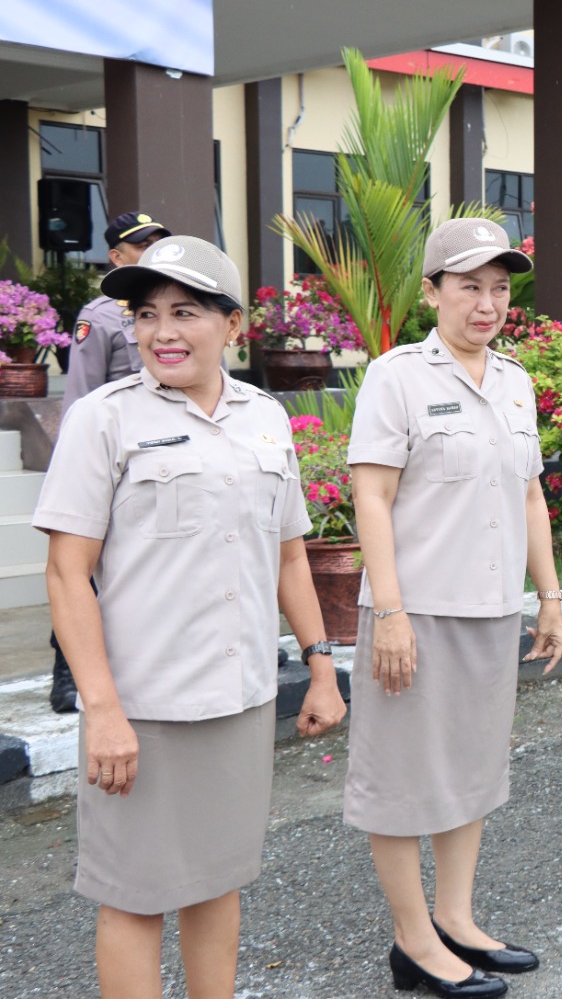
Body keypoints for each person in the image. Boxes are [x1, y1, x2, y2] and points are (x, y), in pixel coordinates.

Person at [32, 235, 346, 999]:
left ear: (232, 326)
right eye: (146, 315)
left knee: (218, 880)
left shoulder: (265, 418)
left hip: (237, 698)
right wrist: (102, 710)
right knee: (134, 896)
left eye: (185, 312)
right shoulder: (105, 420)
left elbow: (287, 557)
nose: (161, 332)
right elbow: (67, 572)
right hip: (143, 708)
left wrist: (321, 665)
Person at [345, 218, 562, 998]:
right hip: (419, 609)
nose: (487, 303)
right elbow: (372, 495)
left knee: (473, 770)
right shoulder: (397, 377)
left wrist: (549, 597)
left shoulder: (512, 380)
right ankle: (413, 942)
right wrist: (392, 613)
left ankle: (457, 920)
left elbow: (531, 494)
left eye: (500, 288)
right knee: (404, 778)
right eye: (469, 286)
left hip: (490, 607)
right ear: (432, 292)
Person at [48, 211, 172, 714]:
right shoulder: (98, 317)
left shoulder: (190, 307)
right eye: (141, 245)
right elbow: (81, 395)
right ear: (117, 258)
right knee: (83, 569)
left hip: (175, 454)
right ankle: (66, 671)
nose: (153, 250)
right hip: (117, 458)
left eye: (159, 242)